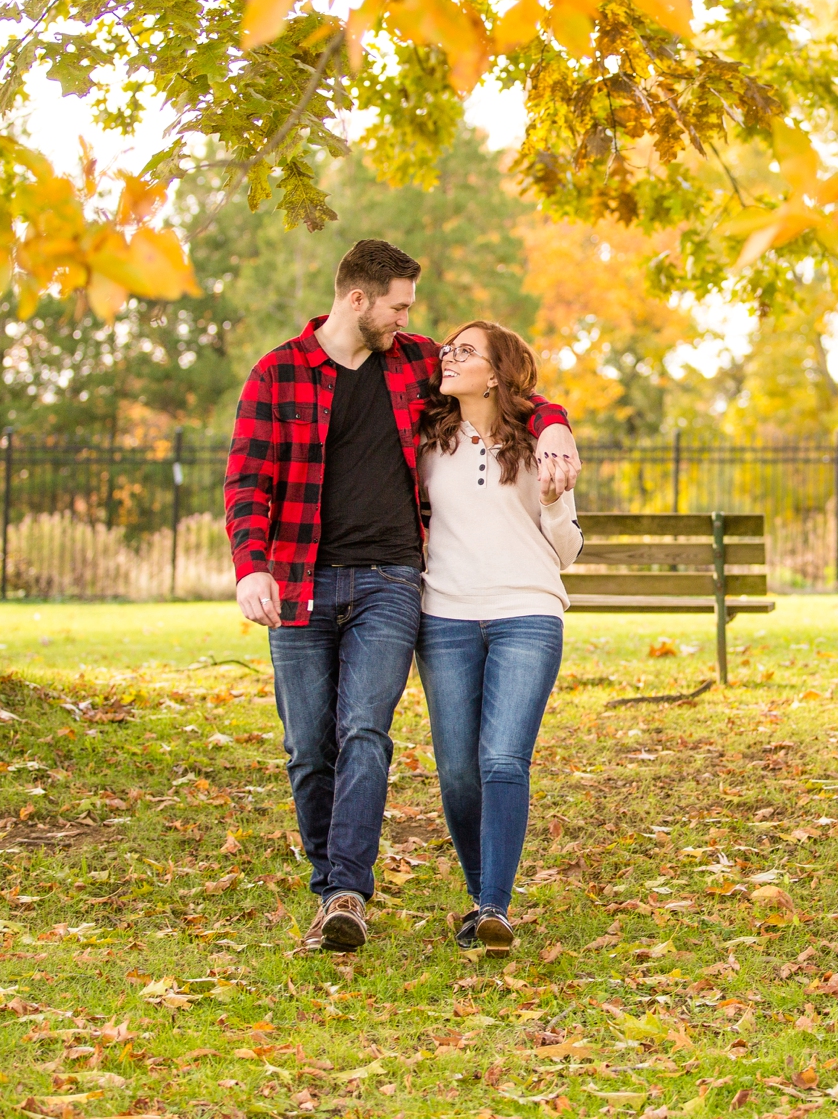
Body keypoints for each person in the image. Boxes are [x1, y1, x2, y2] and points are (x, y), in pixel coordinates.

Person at [224, 241, 580, 955]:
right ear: (359, 300)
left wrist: (557, 424)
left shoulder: (414, 363)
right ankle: (332, 889)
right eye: (399, 305)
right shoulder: (278, 372)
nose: (409, 321)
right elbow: (247, 481)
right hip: (298, 581)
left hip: (390, 581)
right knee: (306, 748)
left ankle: (349, 891)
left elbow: (515, 391)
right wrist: (249, 567)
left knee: (364, 729)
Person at [415, 321, 583, 959]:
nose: (448, 359)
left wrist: (553, 503)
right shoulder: (429, 440)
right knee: (458, 771)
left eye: (465, 352)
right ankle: (480, 891)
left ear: (495, 374)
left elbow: (565, 552)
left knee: (503, 760)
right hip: (446, 617)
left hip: (526, 612)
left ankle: (494, 906)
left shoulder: (542, 446)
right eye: (447, 350)